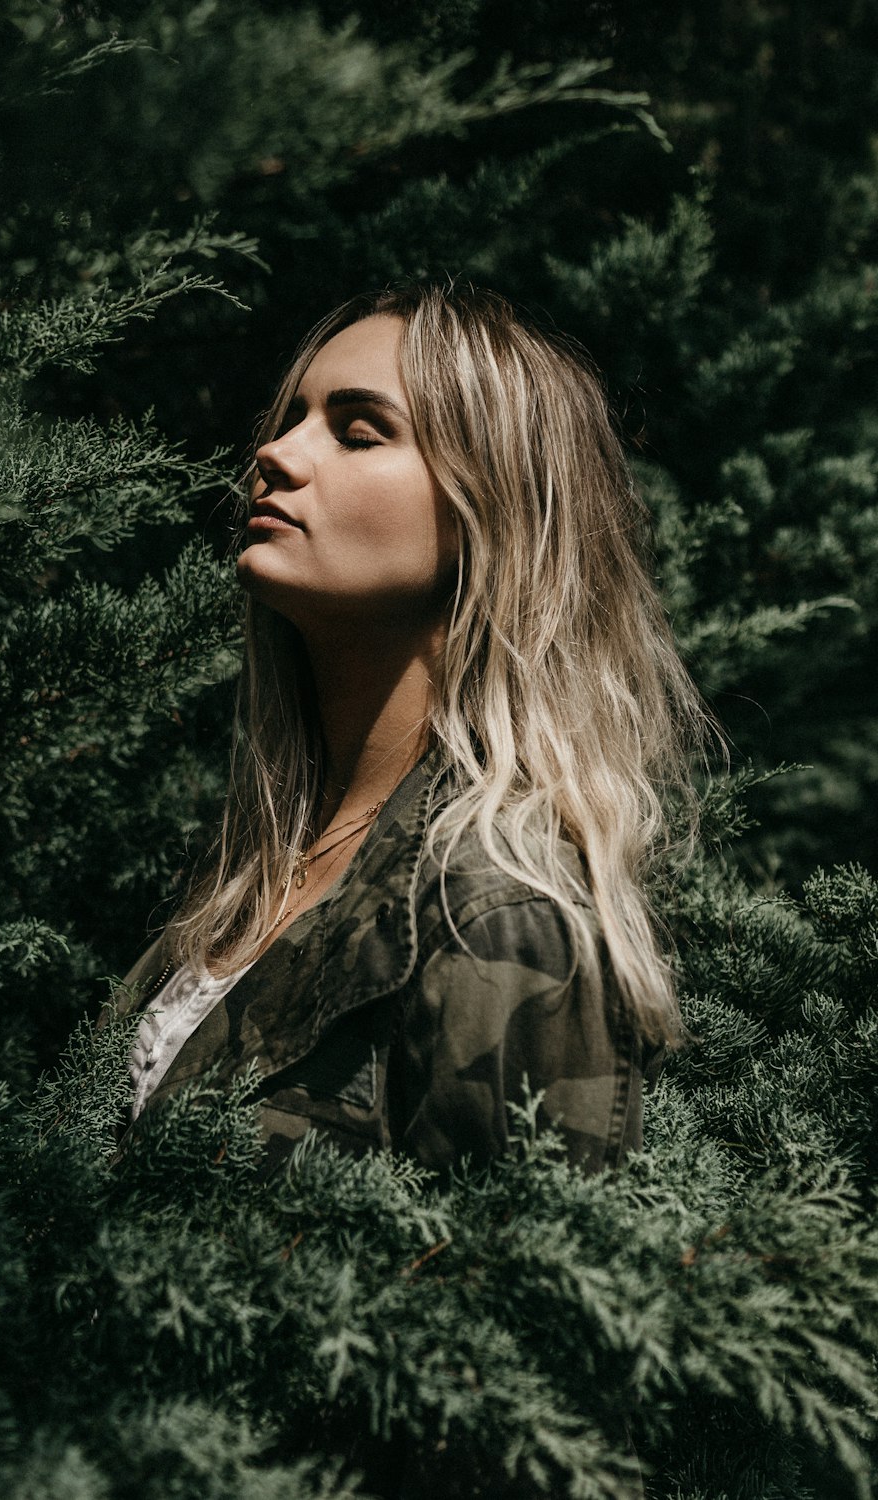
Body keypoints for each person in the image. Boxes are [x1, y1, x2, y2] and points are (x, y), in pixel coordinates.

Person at [109, 281, 706, 1175]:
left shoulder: (493, 917)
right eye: (291, 417)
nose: (274, 452)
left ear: (486, 513)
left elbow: (513, 1292)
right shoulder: (260, 865)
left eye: (358, 432)